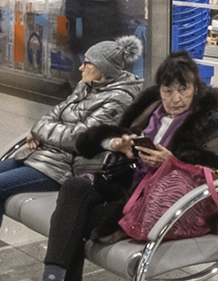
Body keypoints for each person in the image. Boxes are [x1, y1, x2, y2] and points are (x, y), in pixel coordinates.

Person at [12, 51, 218, 281]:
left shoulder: (210, 120)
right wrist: (117, 143)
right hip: (126, 185)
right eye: (168, 90)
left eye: (183, 90)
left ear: (196, 88)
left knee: (73, 221)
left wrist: (173, 161)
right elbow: (107, 135)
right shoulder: (151, 106)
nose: (175, 99)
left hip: (159, 204)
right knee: (75, 188)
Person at [0, 35, 143, 225]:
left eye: (87, 63)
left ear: (103, 68)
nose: (80, 67)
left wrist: (41, 131)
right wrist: (43, 128)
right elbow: (54, 113)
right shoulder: (86, 86)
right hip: (41, 156)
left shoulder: (119, 99)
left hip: (60, 168)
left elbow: (79, 137)